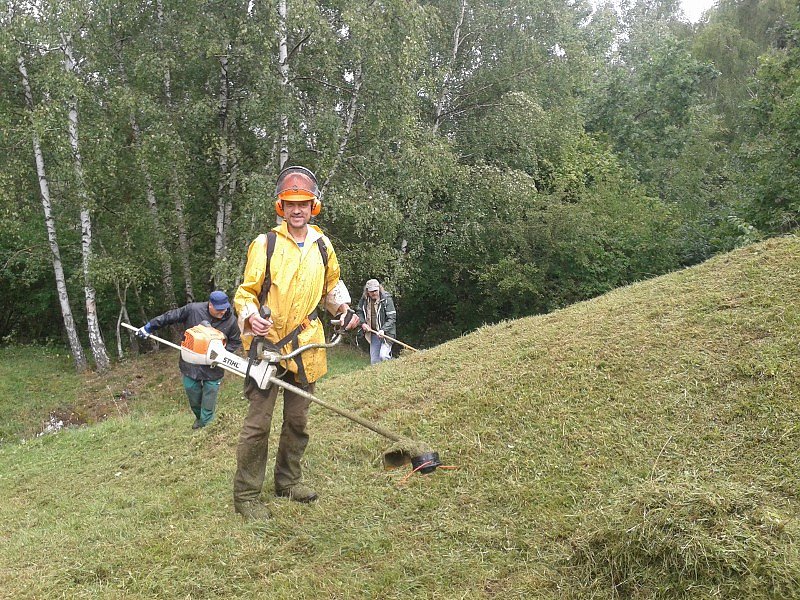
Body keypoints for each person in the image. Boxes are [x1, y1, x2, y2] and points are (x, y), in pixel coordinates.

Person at [232, 165, 360, 521]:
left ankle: (288, 481)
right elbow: (245, 293)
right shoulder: (266, 244)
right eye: (290, 204)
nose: (297, 209)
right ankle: (246, 496)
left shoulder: (323, 245)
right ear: (281, 207)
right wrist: (250, 315)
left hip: (307, 345)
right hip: (267, 346)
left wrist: (345, 310)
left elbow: (331, 287)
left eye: (303, 203)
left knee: (298, 421)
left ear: (313, 205)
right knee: (258, 424)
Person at [136, 290, 242, 429]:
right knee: (193, 395)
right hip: (191, 364)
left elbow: (235, 341)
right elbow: (170, 316)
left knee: (209, 399)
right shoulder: (193, 310)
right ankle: (200, 419)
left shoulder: (231, 321)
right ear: (210, 304)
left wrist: (222, 354)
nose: (222, 312)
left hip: (213, 367)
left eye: (225, 308)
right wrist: (149, 327)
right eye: (219, 309)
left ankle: (207, 427)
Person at [355, 279, 397, 364]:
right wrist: (363, 323)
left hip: (387, 333)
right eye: (371, 291)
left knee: (383, 356)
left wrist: (383, 330)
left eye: (375, 290)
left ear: (379, 288)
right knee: (374, 361)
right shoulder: (364, 299)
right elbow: (359, 311)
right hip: (373, 333)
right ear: (367, 291)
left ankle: (395, 365)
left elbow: (392, 318)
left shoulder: (386, 299)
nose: (374, 293)